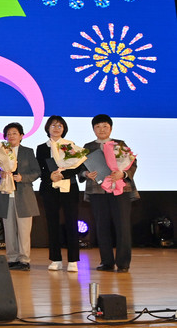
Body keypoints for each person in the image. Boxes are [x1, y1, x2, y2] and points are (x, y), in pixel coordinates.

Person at [82, 114, 138, 273]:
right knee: (102, 227)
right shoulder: (88, 147)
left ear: (111, 128)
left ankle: (123, 263)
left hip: (120, 190)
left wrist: (123, 174)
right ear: (93, 129)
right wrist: (86, 174)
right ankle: (106, 262)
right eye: (98, 127)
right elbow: (80, 168)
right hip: (98, 191)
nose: (101, 129)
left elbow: (133, 163)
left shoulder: (120, 144)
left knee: (123, 226)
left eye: (105, 126)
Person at [36, 115, 84, 272]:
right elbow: (40, 168)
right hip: (50, 189)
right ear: (47, 128)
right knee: (52, 224)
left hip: (69, 188)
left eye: (59, 126)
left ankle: (73, 260)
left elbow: (77, 166)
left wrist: (63, 175)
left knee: (71, 223)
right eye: (53, 125)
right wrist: (50, 176)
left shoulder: (69, 145)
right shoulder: (42, 148)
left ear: (64, 129)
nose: (56, 128)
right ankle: (55, 259)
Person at [0, 122, 40, 271]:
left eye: (14, 133)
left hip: (24, 197)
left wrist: (23, 178)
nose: (11, 136)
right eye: (8, 134)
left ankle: (24, 260)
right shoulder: (0, 151)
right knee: (9, 231)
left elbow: (36, 172)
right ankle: (12, 258)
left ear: (21, 136)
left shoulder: (28, 152)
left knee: (24, 232)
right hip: (6, 196)